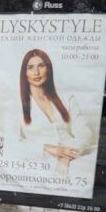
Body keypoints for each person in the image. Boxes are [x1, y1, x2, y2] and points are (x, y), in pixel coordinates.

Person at [18, 48, 93, 176]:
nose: (36, 72)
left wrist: (65, 156)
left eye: (41, 66)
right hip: (38, 159)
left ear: (48, 69)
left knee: (86, 171)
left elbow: (84, 132)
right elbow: (14, 141)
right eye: (30, 67)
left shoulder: (67, 97)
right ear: (24, 72)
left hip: (72, 155)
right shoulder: (16, 103)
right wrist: (46, 148)